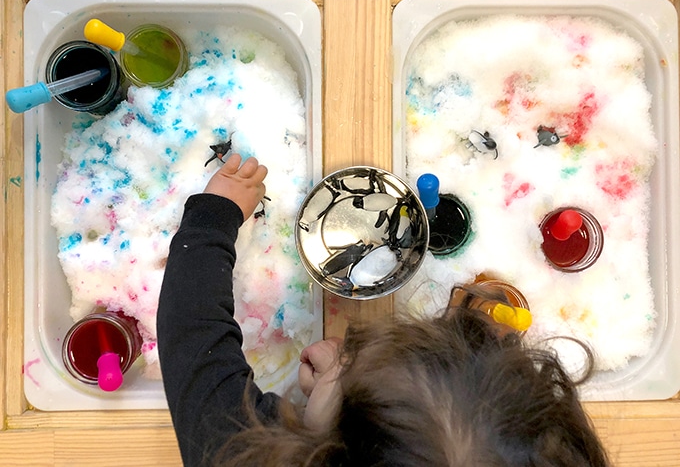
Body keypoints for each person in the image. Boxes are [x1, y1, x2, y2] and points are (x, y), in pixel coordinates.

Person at [157, 154, 610, 467]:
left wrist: (213, 216)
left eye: (355, 371)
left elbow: (191, 332)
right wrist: (342, 392)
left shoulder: (236, 452)